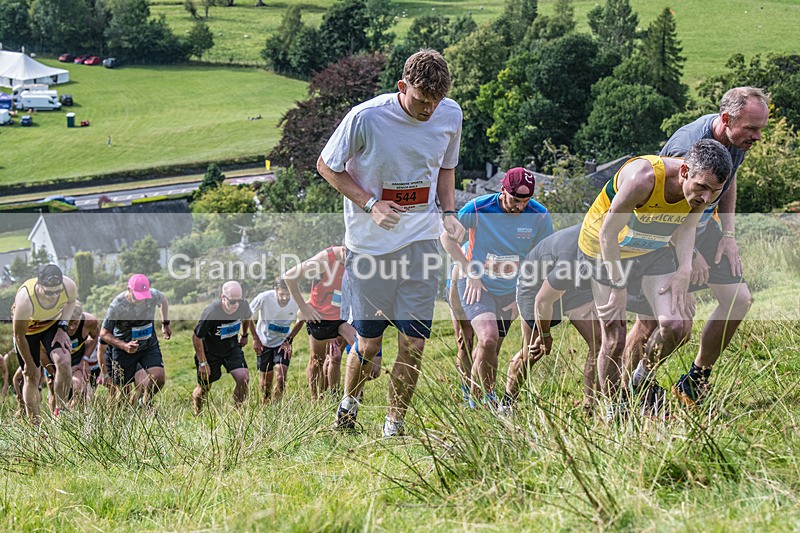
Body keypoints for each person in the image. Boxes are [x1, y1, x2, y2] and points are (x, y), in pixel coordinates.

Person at [317, 48, 464, 437]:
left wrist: (449, 212)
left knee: (414, 344)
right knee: (368, 345)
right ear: (402, 86)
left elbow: (446, 167)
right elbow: (326, 166)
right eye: (421, 99)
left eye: (436, 101)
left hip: (421, 240)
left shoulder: (451, 114)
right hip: (370, 247)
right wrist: (370, 204)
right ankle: (348, 408)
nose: (429, 109)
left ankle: (393, 427)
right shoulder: (366, 118)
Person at [624, 87, 770, 407]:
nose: (757, 136)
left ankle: (695, 379)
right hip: (662, 234)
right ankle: (630, 388)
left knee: (739, 300)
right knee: (653, 323)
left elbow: (728, 181)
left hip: (701, 227)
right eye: (752, 128)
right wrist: (689, 255)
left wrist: (728, 235)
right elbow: (667, 208)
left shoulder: (736, 140)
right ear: (726, 119)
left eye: (760, 129)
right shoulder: (686, 146)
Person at [577, 140, 733, 418]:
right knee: (614, 337)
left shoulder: (703, 192)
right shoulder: (643, 179)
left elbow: (687, 229)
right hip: (604, 249)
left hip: (651, 246)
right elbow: (607, 235)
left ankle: (640, 379)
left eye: (715, 191)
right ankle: (616, 411)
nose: (706, 197)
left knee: (676, 326)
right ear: (684, 171)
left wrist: (684, 270)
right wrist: (618, 286)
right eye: (702, 187)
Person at [441, 167, 553, 407]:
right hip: (475, 284)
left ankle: (479, 398)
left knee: (491, 348)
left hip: (510, 290)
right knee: (475, 339)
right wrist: (469, 271)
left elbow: (542, 262)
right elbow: (446, 238)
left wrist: (522, 297)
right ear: (503, 190)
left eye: (526, 201)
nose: (520, 206)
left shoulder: (540, 216)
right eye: (515, 200)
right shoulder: (478, 208)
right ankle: (482, 399)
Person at [502, 224, 601, 413]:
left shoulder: (609, 236)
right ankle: (507, 403)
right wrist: (545, 335)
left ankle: (590, 408)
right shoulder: (569, 259)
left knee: (599, 342)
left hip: (574, 286)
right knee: (533, 350)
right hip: (534, 287)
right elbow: (542, 300)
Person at [283, 245, 369, 399]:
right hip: (319, 318)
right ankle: (315, 399)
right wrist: (303, 307)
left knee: (362, 349)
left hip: (341, 318)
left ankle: (353, 393)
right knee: (317, 360)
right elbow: (289, 277)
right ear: (344, 249)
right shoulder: (325, 259)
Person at [12, 264, 78, 419]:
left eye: (57, 292)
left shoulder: (68, 286)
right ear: (39, 285)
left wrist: (62, 327)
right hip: (28, 332)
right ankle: (34, 423)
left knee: (64, 362)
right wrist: (29, 363)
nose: (53, 296)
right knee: (31, 375)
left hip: (52, 325)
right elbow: (19, 335)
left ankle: (61, 414)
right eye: (48, 292)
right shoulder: (25, 299)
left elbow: (71, 303)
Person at [100, 274, 171, 406]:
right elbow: (104, 333)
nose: (141, 300)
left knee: (159, 378)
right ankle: (116, 416)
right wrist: (124, 345)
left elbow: (164, 300)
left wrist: (165, 323)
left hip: (148, 345)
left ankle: (143, 402)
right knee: (121, 394)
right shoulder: (117, 305)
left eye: (144, 296)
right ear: (129, 290)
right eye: (138, 296)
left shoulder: (153, 295)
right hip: (124, 350)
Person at [192, 281, 252, 414]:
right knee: (204, 388)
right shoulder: (211, 313)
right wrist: (203, 362)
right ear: (223, 297)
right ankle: (197, 411)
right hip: (210, 353)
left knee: (243, 378)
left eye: (239, 300)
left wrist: (244, 334)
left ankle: (238, 413)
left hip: (231, 348)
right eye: (232, 301)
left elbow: (247, 316)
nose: (236, 305)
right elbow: (196, 337)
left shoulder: (243, 305)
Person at [250, 278, 302, 403]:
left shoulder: (296, 299)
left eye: (288, 294)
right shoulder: (264, 297)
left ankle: (276, 406)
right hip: (264, 342)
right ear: (275, 290)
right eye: (282, 294)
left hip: (283, 343)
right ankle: (266, 403)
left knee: (281, 376)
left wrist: (289, 340)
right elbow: (246, 315)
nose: (285, 298)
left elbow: (302, 318)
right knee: (266, 382)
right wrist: (255, 338)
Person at [65, 302, 100, 408]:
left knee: (79, 388)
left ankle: (76, 415)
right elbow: (42, 350)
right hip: (55, 362)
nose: (72, 327)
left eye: (75, 323)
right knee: (57, 394)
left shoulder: (89, 322)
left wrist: (85, 358)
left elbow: (95, 337)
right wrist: (53, 372)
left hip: (77, 359)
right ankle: (57, 415)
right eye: (69, 323)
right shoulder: (52, 324)